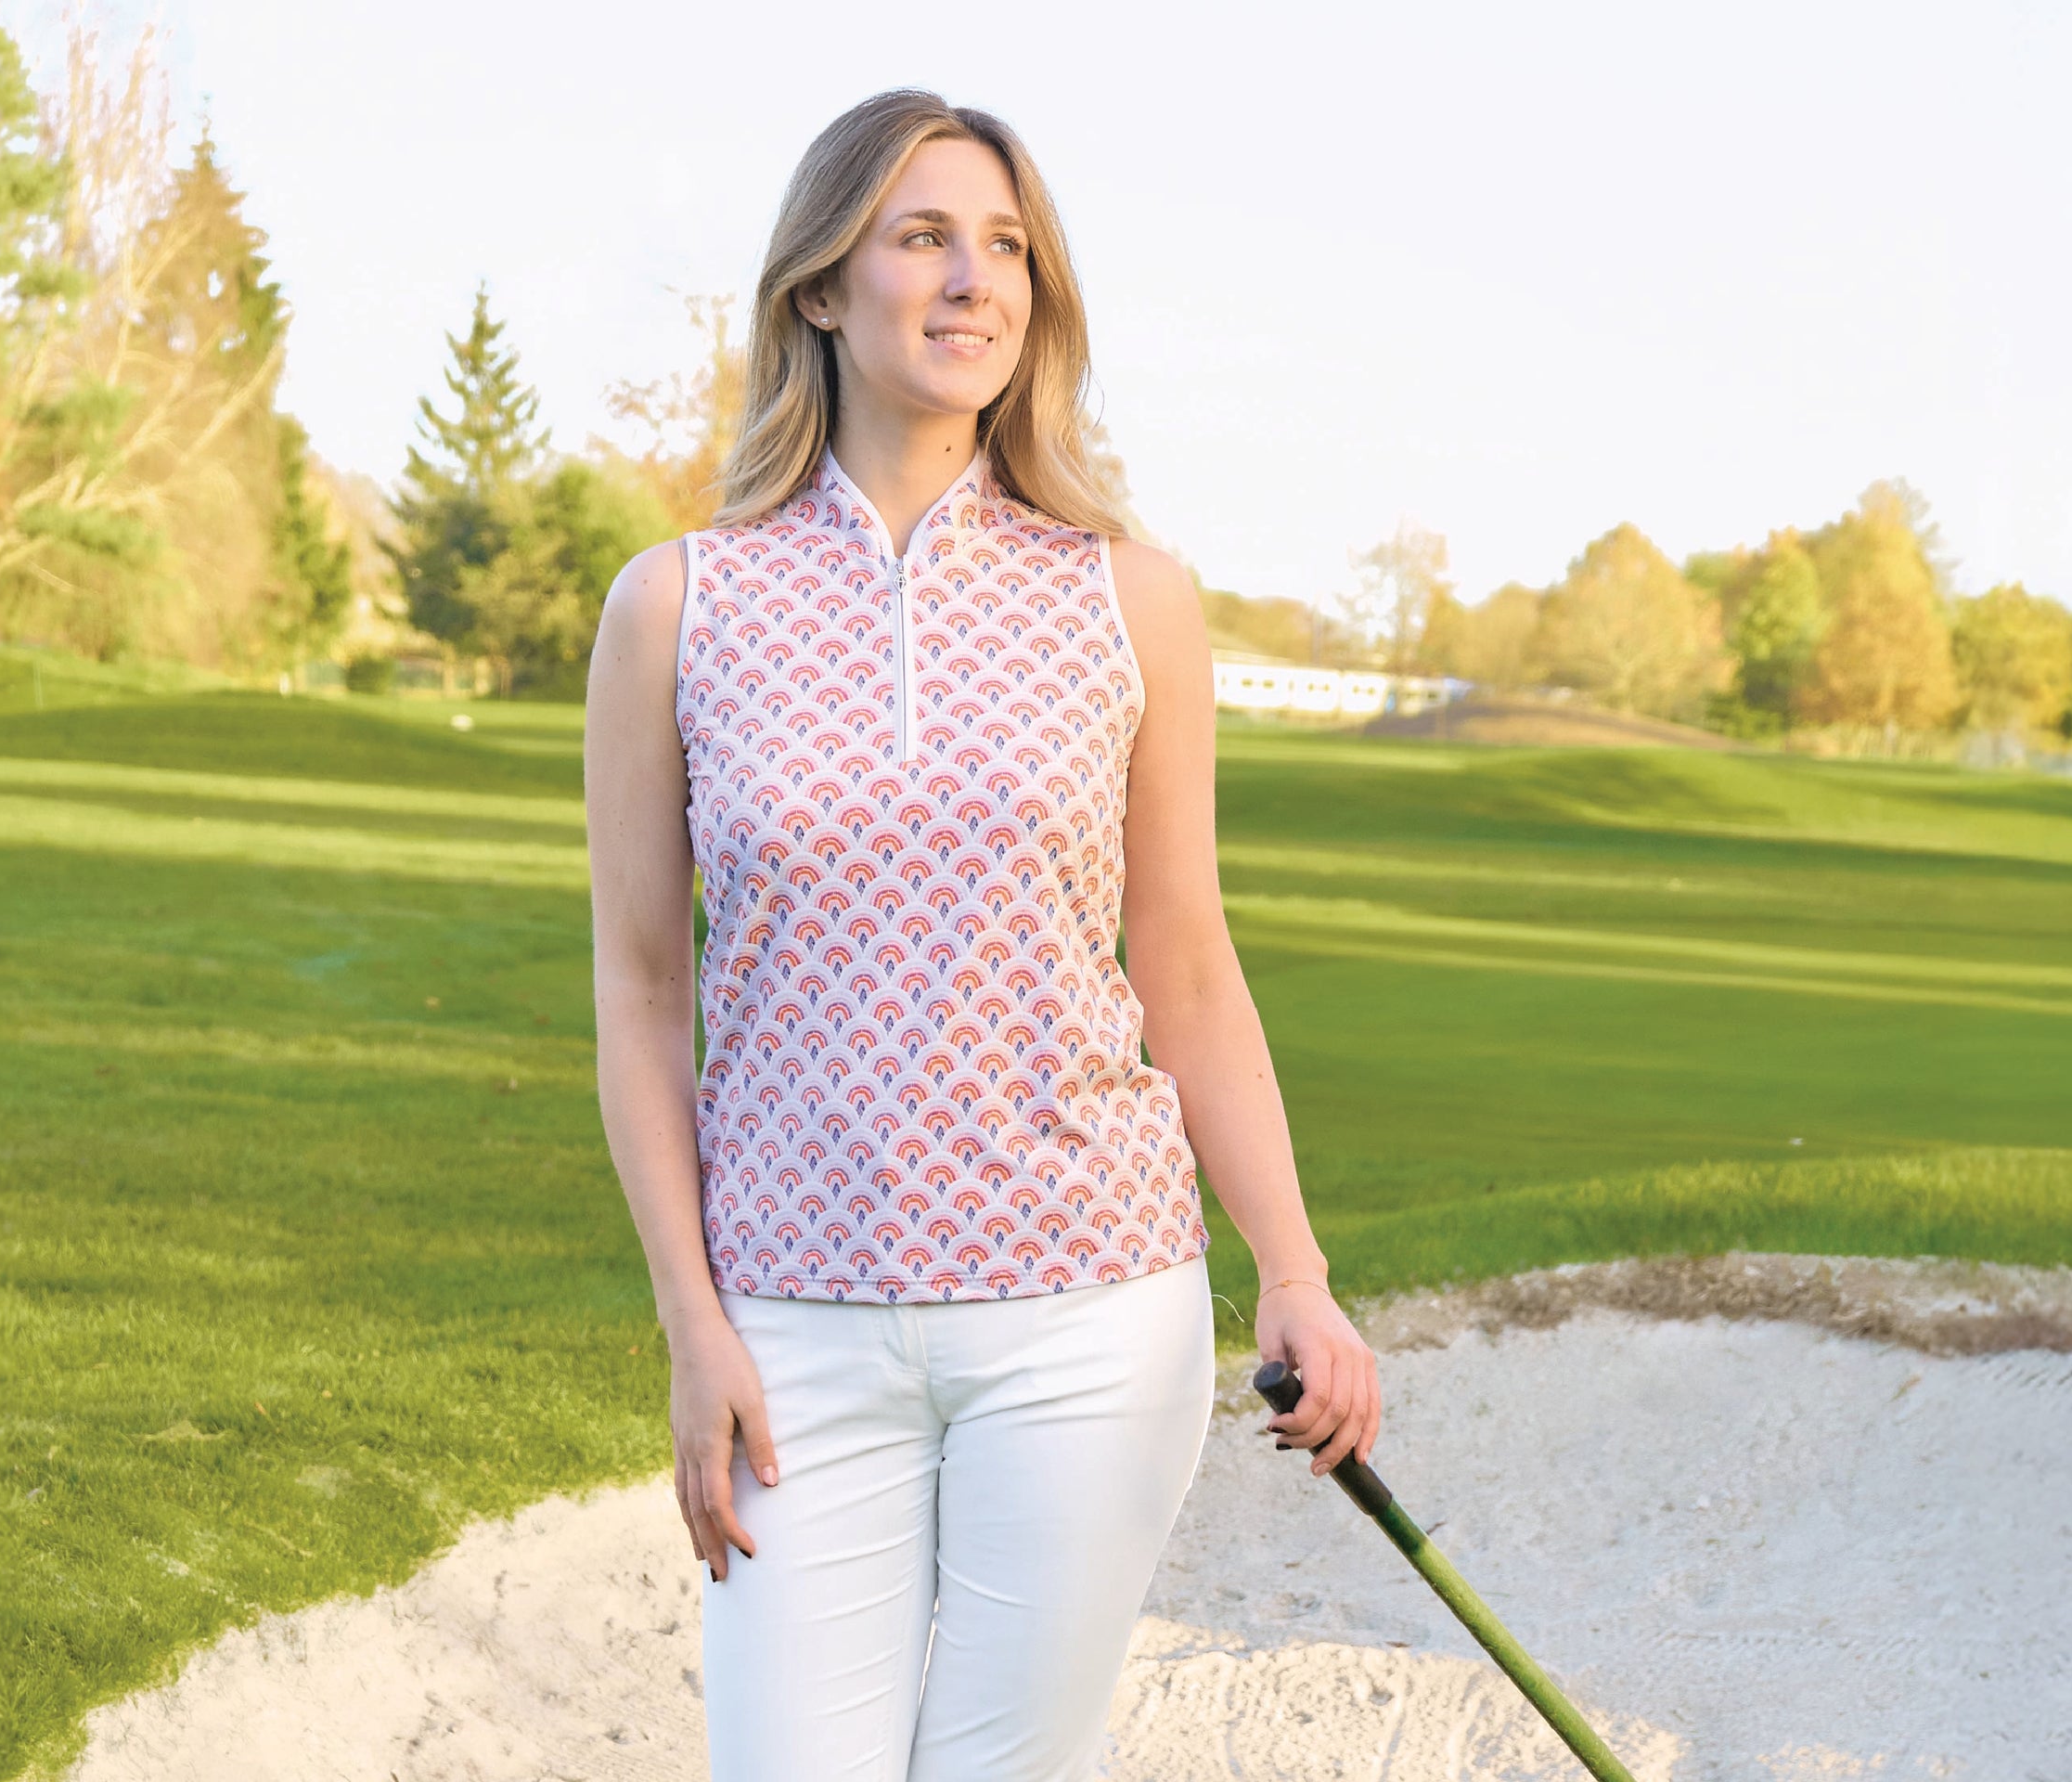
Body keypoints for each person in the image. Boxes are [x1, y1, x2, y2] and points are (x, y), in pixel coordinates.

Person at [581, 87, 1385, 1782]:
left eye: (1007, 247)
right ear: (821, 285)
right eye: (924, 237)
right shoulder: (677, 606)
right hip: (790, 1317)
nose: (974, 281)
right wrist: (692, 1324)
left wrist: (1294, 1270)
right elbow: (645, 994)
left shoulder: (1127, 596)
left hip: (1087, 1311)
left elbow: (1185, 960)